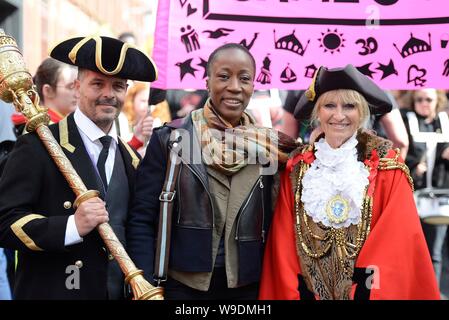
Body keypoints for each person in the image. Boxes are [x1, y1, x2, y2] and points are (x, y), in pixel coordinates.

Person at [126, 43, 297, 300]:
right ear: (207, 83)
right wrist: (147, 286)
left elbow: (277, 223)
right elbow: (142, 220)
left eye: (245, 78)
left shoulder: (269, 149)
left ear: (253, 86)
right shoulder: (171, 141)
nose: (235, 87)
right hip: (182, 288)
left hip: (247, 288)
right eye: (224, 76)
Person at [259, 65, 440, 300]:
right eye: (329, 105)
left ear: (363, 112)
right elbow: (283, 245)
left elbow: (395, 245)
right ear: (317, 112)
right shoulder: (297, 169)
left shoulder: (388, 168)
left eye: (349, 106)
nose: (339, 115)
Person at [0, 35, 157, 299]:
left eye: (117, 86)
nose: (108, 94)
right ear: (77, 87)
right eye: (97, 83)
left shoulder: (131, 159)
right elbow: (5, 222)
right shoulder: (36, 146)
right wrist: (71, 226)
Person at [401, 89, 449, 295]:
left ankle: (432, 294)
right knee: (409, 251)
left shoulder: (445, 122)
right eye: (419, 99)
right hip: (412, 196)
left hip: (440, 197)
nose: (423, 103)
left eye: (428, 99)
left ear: (436, 100)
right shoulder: (405, 120)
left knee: (435, 253)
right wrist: (413, 166)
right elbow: (397, 151)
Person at [11, 57, 78, 136]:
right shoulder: (41, 129)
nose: (78, 93)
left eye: (78, 86)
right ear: (48, 91)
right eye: (70, 87)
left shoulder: (63, 125)